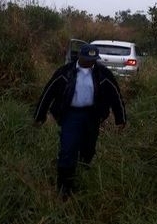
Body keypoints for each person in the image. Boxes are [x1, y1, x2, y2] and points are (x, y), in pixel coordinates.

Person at [33, 43, 126, 196]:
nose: (91, 62)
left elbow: (115, 95)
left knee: (88, 148)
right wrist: (39, 116)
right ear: (80, 57)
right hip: (71, 115)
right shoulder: (65, 72)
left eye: (94, 59)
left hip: (93, 115)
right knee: (68, 149)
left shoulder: (103, 74)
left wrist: (120, 118)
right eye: (88, 59)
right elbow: (48, 93)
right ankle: (64, 187)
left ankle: (82, 172)